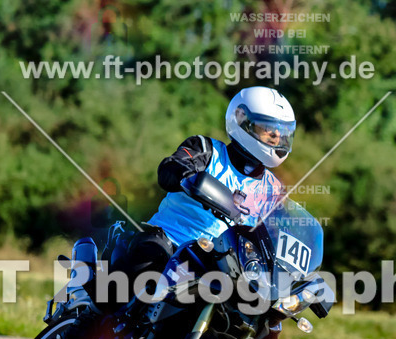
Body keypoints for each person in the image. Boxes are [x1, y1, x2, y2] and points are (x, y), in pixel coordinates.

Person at [111, 86, 296, 280]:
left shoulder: (274, 189)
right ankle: (102, 304)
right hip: (172, 241)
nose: (278, 138)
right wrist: (191, 179)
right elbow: (170, 168)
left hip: (227, 266)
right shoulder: (207, 150)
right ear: (243, 121)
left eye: (283, 133)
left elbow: (281, 236)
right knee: (144, 264)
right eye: (269, 130)